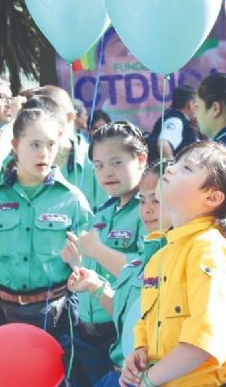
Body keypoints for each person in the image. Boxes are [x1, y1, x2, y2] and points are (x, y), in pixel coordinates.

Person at [119, 141, 226, 387]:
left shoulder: (207, 249)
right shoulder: (162, 255)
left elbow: (203, 341)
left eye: (186, 168)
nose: (170, 169)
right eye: (175, 162)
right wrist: (140, 353)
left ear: (212, 197)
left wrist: (147, 381)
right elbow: (149, 323)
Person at [0, 105, 93, 376]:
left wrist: (79, 264)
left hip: (57, 314)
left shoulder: (72, 200)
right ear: (14, 144)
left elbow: (90, 257)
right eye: (34, 144)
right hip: (5, 311)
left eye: (50, 144)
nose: (43, 153)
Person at [67, 161, 171, 387]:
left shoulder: (184, 257)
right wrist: (95, 286)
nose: (147, 209)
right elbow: (129, 316)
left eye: (157, 200)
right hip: (119, 373)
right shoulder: (149, 252)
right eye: (142, 201)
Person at [66, 121, 148, 386]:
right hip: (87, 333)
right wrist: (77, 263)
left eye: (116, 162)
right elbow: (98, 266)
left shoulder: (148, 211)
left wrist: (98, 252)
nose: (107, 173)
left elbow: (144, 272)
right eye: (99, 165)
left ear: (141, 159)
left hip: (121, 335)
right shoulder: (103, 211)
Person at [146, 85, 199, 162]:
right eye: (197, 105)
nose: (198, 109)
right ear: (190, 104)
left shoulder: (183, 121)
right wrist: (172, 167)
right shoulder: (176, 121)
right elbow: (163, 144)